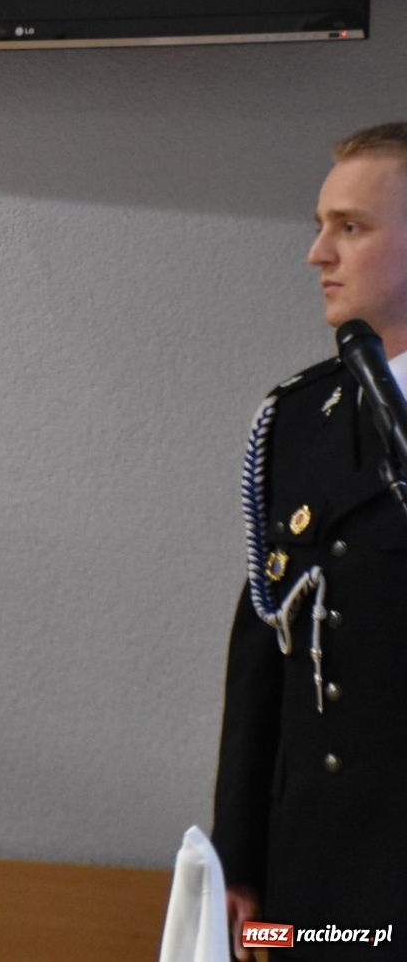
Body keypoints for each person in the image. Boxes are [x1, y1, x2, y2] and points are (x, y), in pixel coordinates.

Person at [212, 122, 407, 960]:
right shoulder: (302, 418)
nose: (317, 253)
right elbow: (264, 647)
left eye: (351, 227)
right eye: (321, 223)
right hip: (317, 876)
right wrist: (239, 859)